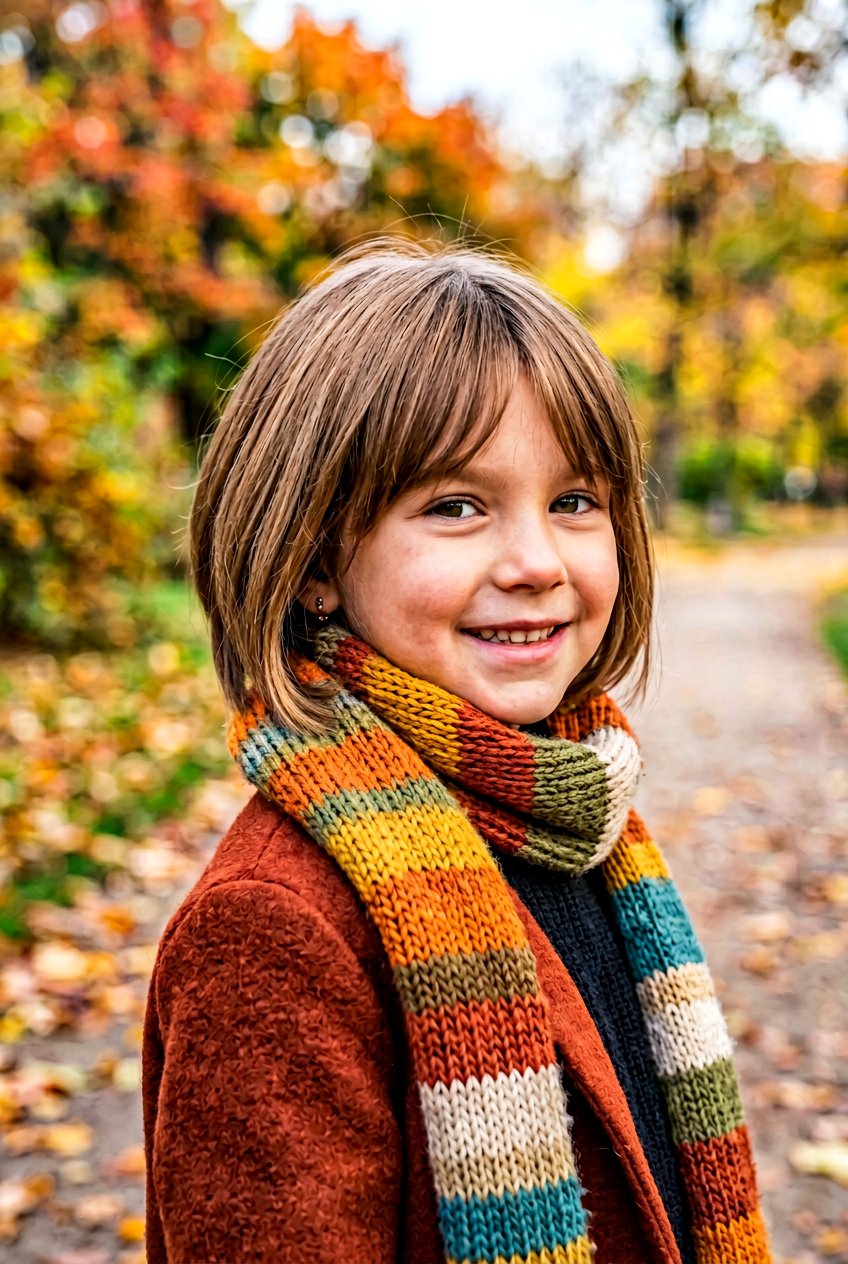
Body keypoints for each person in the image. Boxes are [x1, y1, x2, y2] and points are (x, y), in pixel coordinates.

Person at [142, 240, 771, 1264]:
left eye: (573, 501)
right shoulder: (272, 930)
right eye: (454, 506)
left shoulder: (581, 824)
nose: (533, 563)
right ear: (312, 563)